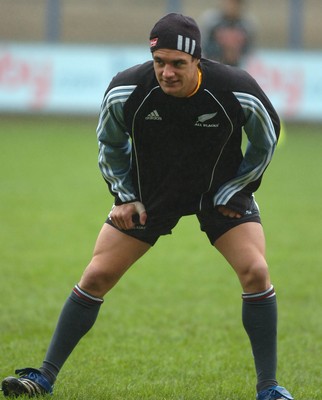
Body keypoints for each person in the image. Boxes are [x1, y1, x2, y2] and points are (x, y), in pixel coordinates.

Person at [1, 13, 293, 400]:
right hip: (149, 194)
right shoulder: (127, 89)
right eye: (159, 62)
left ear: (198, 61)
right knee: (96, 276)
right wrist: (123, 196)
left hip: (217, 193)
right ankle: (43, 377)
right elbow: (109, 144)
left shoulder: (236, 88)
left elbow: (265, 139)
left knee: (256, 272)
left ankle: (269, 388)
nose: (166, 72)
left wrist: (236, 190)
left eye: (178, 64)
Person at [200, 0, 256, 66]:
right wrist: (223, 52)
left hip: (238, 67)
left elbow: (250, 50)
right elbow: (203, 46)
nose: (232, 6)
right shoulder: (212, 21)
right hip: (214, 66)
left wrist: (237, 54)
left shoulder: (247, 24)